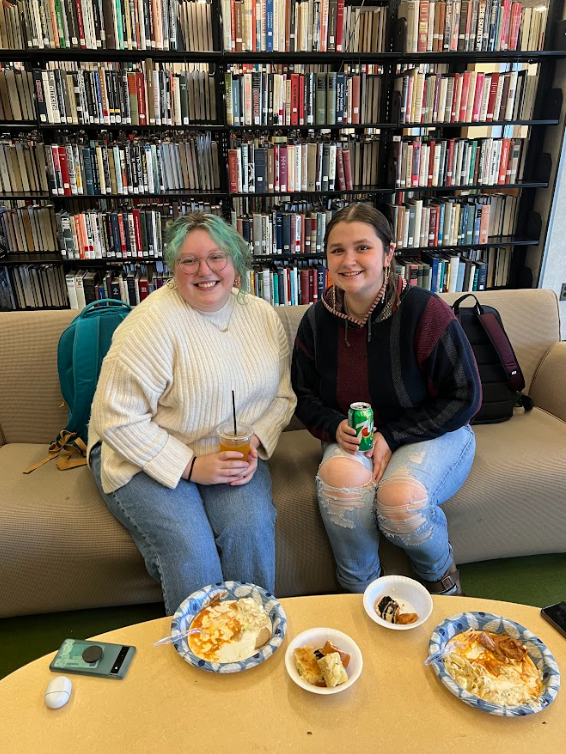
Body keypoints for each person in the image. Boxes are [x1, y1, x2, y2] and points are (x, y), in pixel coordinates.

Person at [88, 212, 296, 615]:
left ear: (236, 262)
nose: (205, 271)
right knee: (191, 550)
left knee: (249, 530)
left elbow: (284, 397)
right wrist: (189, 466)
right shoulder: (149, 324)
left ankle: (255, 636)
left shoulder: (262, 316)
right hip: (138, 451)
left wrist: (254, 439)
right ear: (173, 267)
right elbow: (116, 418)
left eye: (217, 257)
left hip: (230, 452)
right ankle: (200, 657)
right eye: (189, 261)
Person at [291, 203, 481, 596]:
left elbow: (465, 396)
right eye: (337, 250)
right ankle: (360, 595)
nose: (349, 260)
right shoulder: (316, 320)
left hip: (432, 431)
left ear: (388, 253)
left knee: (400, 502)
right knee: (341, 483)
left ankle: (442, 579)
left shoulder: (425, 311)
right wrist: (332, 425)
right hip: (355, 438)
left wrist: (391, 436)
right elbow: (303, 396)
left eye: (363, 247)